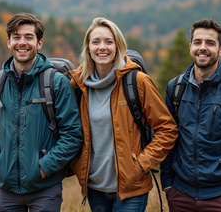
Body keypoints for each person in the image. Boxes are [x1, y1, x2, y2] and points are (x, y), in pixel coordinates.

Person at [0, 12, 83, 212]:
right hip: (6, 190)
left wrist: (42, 169)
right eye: (16, 37)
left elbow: (73, 136)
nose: (21, 43)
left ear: (39, 43)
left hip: (45, 188)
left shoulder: (56, 83)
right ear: (8, 42)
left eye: (28, 37)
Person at [69, 17, 178, 211]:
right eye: (96, 42)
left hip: (131, 189)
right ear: (88, 48)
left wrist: (142, 165)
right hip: (95, 188)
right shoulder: (78, 85)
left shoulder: (137, 82)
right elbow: (67, 130)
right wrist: (77, 165)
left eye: (108, 42)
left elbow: (167, 129)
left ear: (118, 46)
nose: (102, 47)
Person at [160, 18, 221, 212]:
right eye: (198, 42)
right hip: (180, 194)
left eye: (210, 43)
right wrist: (168, 185)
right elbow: (168, 138)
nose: (202, 48)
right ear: (191, 47)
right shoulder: (175, 88)